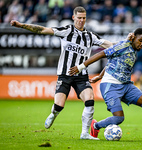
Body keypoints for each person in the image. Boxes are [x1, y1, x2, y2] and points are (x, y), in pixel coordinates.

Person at [10, 6, 124, 140]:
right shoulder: (67, 31)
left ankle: (85, 134)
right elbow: (42, 29)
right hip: (65, 74)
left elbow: (110, 44)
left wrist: (128, 43)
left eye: (84, 18)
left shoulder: (90, 36)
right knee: (59, 105)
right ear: (73, 17)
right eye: (79, 18)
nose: (81, 21)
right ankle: (54, 113)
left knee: (90, 99)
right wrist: (21, 25)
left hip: (81, 76)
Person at [69, 28, 142, 141]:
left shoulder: (133, 50)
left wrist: (100, 75)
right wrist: (80, 67)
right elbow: (101, 53)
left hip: (126, 86)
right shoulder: (123, 46)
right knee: (119, 118)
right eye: (140, 40)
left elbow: (112, 61)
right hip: (111, 86)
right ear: (133, 38)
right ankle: (96, 126)